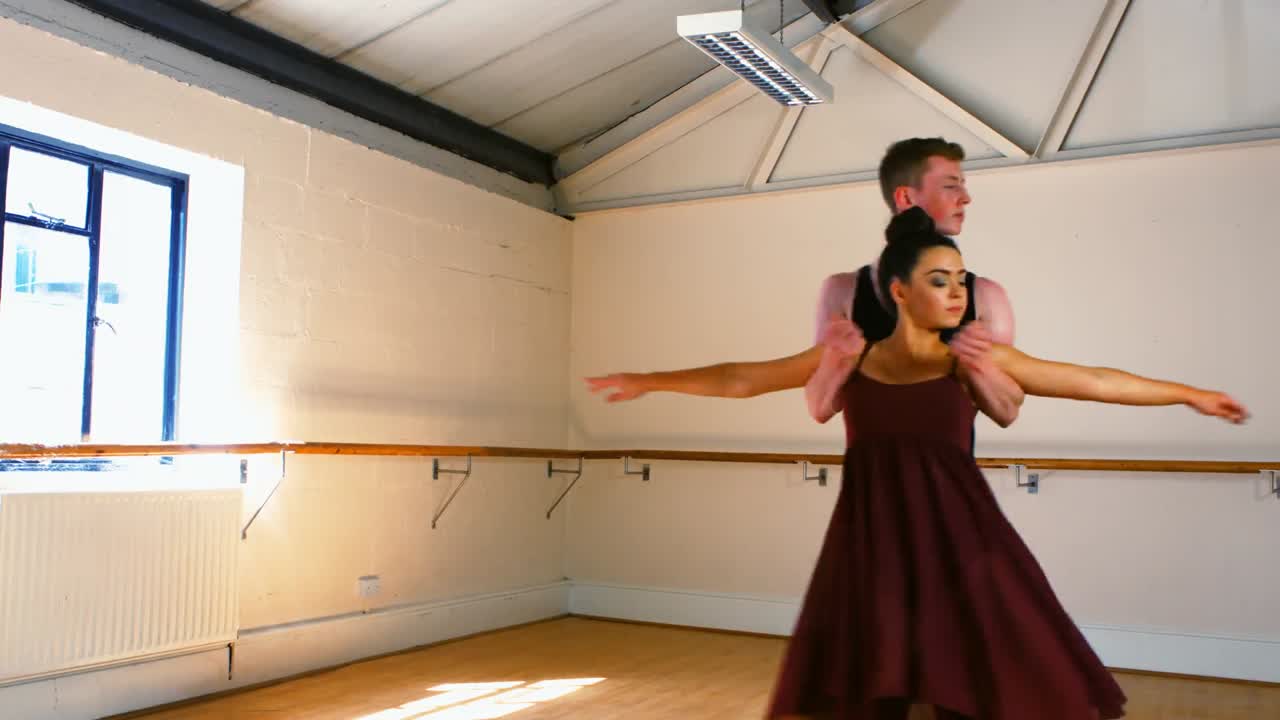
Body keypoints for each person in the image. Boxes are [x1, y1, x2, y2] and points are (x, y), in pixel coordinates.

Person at [765, 208, 1247, 720]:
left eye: (960, 281)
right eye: (939, 280)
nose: (957, 292)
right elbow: (741, 378)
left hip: (962, 532)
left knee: (993, 644)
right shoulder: (853, 358)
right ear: (899, 290)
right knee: (875, 657)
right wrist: (665, 380)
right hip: (871, 538)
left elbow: (1096, 381)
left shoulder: (974, 358)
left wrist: (1189, 395)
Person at [584, 137, 1025, 434]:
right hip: (870, 490)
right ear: (906, 198)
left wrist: (977, 366)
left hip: (950, 486)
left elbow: (1006, 411)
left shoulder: (987, 298)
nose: (965, 198)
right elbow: (815, 406)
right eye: (952, 186)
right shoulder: (844, 293)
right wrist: (650, 381)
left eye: (963, 187)